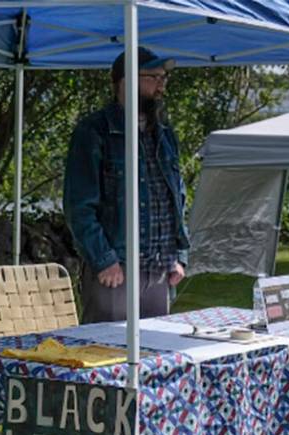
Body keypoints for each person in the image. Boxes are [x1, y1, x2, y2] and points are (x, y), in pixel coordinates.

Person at [64, 47, 189, 323]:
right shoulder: (94, 131)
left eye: (163, 78)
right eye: (153, 77)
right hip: (115, 268)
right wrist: (103, 259)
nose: (161, 85)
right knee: (106, 354)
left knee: (155, 358)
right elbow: (79, 206)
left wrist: (180, 255)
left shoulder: (166, 134)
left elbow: (178, 198)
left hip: (161, 268)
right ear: (125, 81)